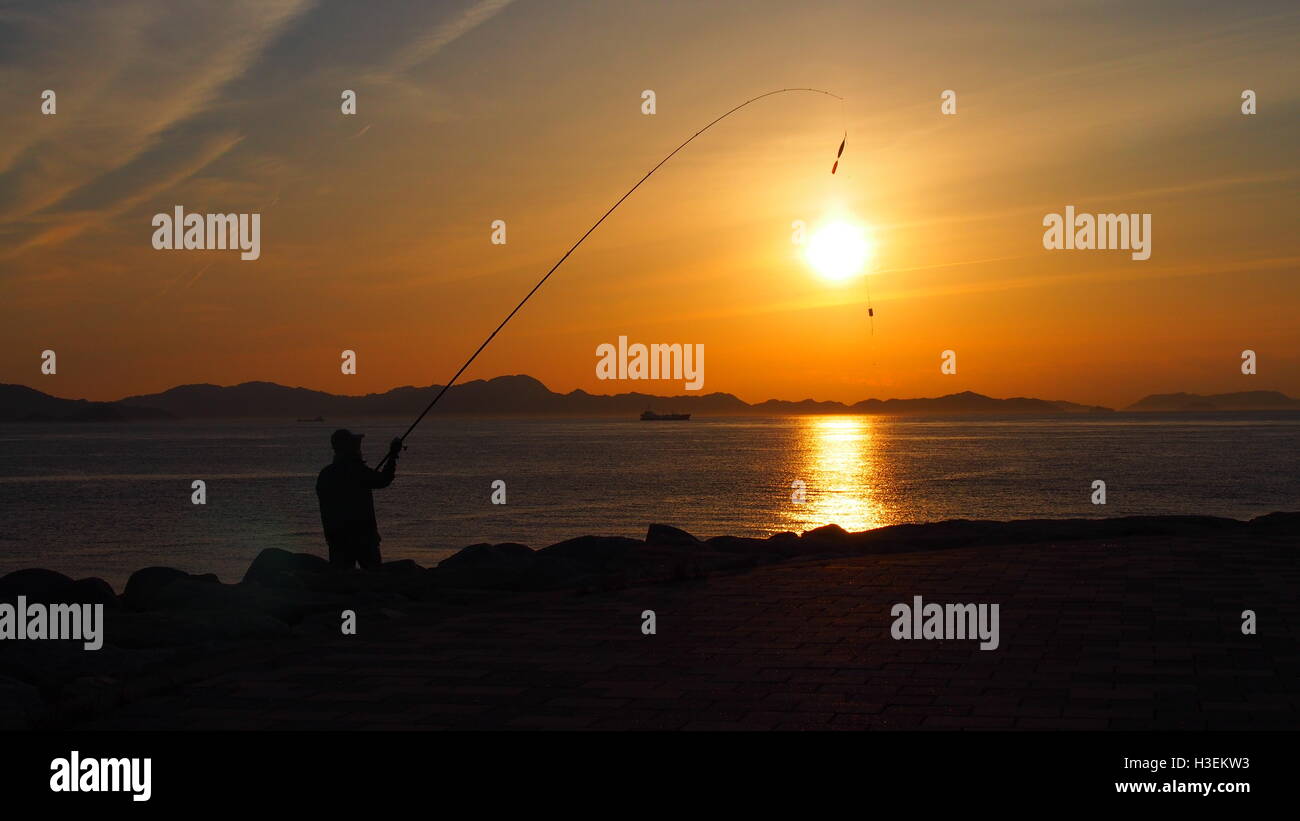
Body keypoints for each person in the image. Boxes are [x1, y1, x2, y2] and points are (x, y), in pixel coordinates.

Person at [315, 429, 403, 570]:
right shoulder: (356, 470)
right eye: (355, 445)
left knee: (342, 582)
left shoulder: (326, 474)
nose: (359, 448)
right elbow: (383, 480)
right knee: (374, 577)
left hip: (337, 539)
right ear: (349, 447)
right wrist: (392, 455)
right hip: (364, 538)